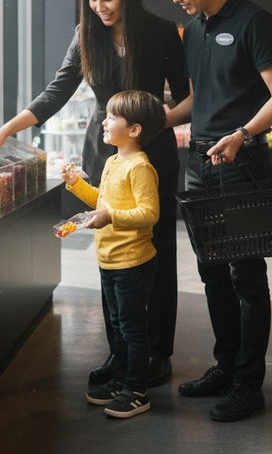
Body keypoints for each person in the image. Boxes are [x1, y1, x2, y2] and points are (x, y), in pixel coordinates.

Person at [0, 0, 188, 388]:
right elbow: (55, 93)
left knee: (158, 254)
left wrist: (155, 123)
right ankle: (120, 352)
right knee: (112, 253)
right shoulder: (85, 34)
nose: (100, 7)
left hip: (153, 154)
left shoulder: (162, 32)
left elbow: (187, 98)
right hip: (104, 152)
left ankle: (158, 353)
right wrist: (5, 131)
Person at [157, 0, 272, 422]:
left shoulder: (255, 22)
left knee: (246, 275)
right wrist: (160, 119)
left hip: (242, 162)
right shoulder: (193, 31)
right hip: (199, 163)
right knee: (211, 269)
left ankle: (248, 384)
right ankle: (225, 365)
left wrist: (242, 132)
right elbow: (199, 101)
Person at [62, 90, 165, 419]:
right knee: (119, 325)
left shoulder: (140, 168)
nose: (103, 121)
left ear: (134, 130)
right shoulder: (111, 162)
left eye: (111, 117)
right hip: (109, 259)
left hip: (133, 262)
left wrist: (111, 217)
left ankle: (137, 390)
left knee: (133, 328)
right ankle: (121, 380)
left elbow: (150, 213)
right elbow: (102, 203)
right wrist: (77, 184)